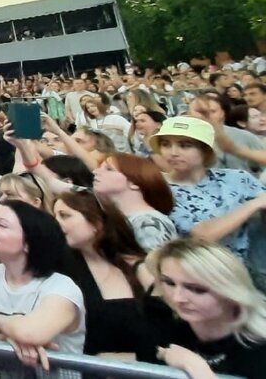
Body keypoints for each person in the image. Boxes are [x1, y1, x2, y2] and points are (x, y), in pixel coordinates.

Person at [0, 201, 87, 368]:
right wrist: (9, 334)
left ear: (28, 243)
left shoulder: (61, 287)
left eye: (2, 225)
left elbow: (30, 333)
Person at [139, 238, 266, 378]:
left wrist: (195, 367)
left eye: (196, 289)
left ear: (231, 293)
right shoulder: (158, 320)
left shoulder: (259, 349)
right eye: (169, 283)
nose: (177, 298)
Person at [151, 117, 266, 270]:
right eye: (165, 144)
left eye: (185, 145)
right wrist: (254, 204)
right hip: (202, 275)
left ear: (205, 150)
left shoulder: (236, 178)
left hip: (249, 269)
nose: (173, 153)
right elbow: (203, 235)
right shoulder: (159, 189)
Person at [53, 190, 152, 357]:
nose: (55, 222)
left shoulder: (141, 267)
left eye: (64, 215)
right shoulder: (60, 267)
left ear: (97, 223)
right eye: (54, 216)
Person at [92, 154, 177, 251]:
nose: (95, 172)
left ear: (134, 182)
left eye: (109, 169)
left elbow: (155, 265)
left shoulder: (149, 223)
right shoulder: (125, 219)